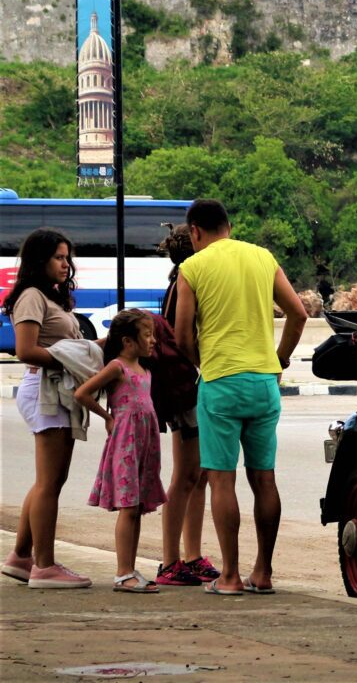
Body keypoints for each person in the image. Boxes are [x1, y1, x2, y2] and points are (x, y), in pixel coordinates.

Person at [174, 199, 308, 595]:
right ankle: (263, 572)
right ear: (229, 226)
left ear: (194, 231)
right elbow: (298, 314)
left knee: (221, 481)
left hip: (221, 382)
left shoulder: (192, 267)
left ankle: (229, 576)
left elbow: (182, 336)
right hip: (264, 383)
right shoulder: (263, 257)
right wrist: (278, 358)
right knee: (264, 479)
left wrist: (205, 363)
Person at [1, 228, 92, 589]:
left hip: (55, 390)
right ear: (40, 260)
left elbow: (63, 344)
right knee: (50, 483)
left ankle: (22, 557)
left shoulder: (50, 297)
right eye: (58, 257)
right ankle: (44, 565)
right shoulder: (31, 297)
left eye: (67, 257)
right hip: (46, 390)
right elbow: (25, 350)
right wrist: (73, 357)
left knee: (47, 481)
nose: (65, 264)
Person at [74, 309, 167, 592]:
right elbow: (82, 393)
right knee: (128, 507)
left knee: (136, 507)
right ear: (128, 341)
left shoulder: (145, 369)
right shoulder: (117, 367)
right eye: (147, 335)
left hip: (145, 443)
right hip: (126, 442)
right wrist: (108, 417)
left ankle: (130, 569)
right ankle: (122, 572)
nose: (153, 341)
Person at [149, 224, 219, 586]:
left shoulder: (180, 282)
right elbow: (183, 338)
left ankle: (191, 555)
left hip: (187, 387)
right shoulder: (186, 283)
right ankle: (170, 560)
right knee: (187, 474)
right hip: (186, 389)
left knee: (199, 475)